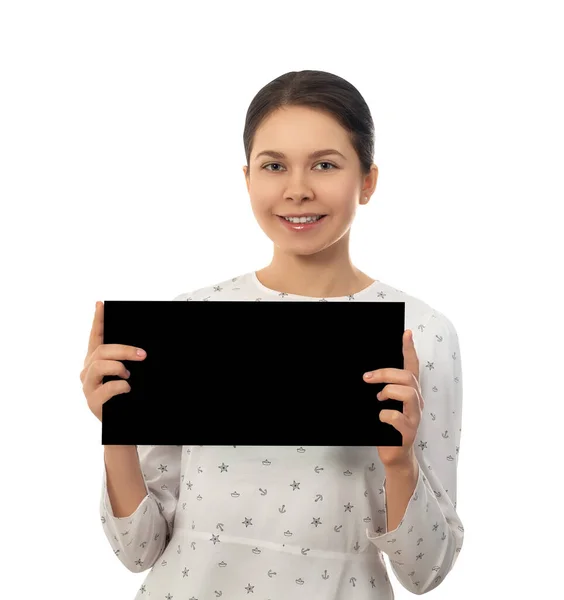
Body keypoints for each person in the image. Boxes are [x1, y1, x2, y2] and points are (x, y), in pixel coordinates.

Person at [81, 70, 464, 599]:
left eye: (325, 164)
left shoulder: (420, 333)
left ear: (368, 180)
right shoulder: (191, 320)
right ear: (248, 178)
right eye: (274, 165)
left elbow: (428, 570)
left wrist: (399, 464)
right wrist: (117, 429)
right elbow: (138, 550)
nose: (298, 189)